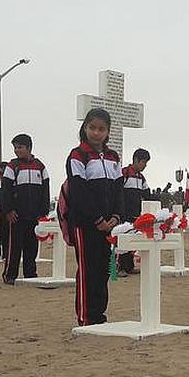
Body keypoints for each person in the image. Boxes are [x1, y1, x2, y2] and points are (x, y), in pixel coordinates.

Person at [66, 108, 123, 325]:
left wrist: (116, 217)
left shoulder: (113, 156)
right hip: (86, 224)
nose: (96, 133)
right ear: (85, 128)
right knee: (88, 271)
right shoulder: (77, 155)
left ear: (107, 132)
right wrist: (97, 219)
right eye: (92, 128)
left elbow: (119, 190)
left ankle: (100, 315)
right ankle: (85, 317)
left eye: (101, 129)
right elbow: (79, 192)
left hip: (110, 226)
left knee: (103, 271)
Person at [1, 134, 50, 284]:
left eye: (20, 147)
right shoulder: (12, 166)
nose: (16, 150)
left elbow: (45, 191)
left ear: (28, 148)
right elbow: (5, 190)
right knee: (14, 247)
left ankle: (30, 273)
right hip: (17, 215)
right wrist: (8, 210)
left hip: (34, 216)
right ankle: (10, 275)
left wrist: (43, 212)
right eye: (15, 148)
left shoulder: (40, 166)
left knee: (32, 246)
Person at [118, 148, 151, 276]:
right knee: (122, 240)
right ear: (136, 160)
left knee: (133, 240)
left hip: (136, 215)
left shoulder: (141, 178)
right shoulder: (124, 173)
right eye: (143, 162)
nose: (145, 166)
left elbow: (147, 194)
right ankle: (120, 267)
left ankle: (129, 266)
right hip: (123, 213)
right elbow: (117, 193)